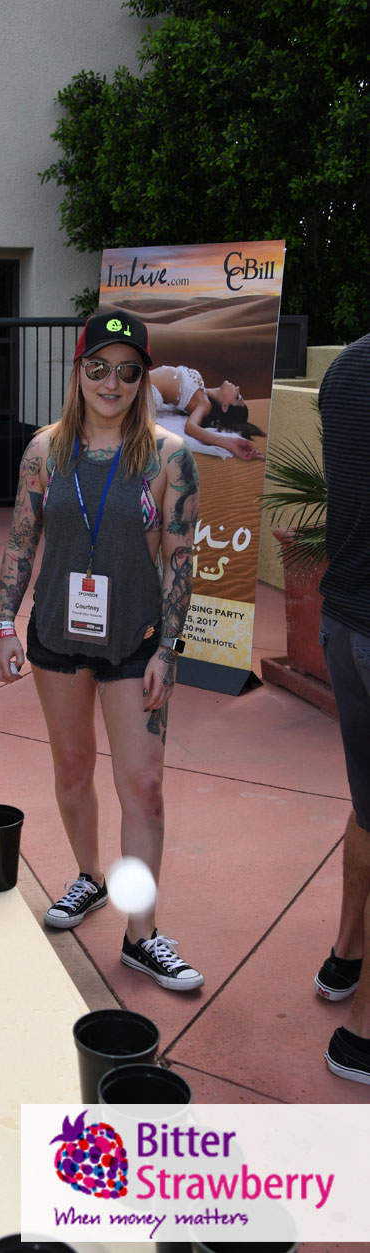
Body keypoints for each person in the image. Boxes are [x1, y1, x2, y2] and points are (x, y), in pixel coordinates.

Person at [0, 311, 204, 992]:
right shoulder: (44, 451)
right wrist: (2, 622)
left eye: (128, 371)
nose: (112, 383)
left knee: (143, 787)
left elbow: (180, 559)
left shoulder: (169, 456)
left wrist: (169, 648)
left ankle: (141, 934)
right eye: (98, 368)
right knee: (73, 768)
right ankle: (89, 877)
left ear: (143, 379)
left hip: (134, 644)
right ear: (78, 371)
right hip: (57, 639)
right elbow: (21, 540)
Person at [312, 332, 370, 1085]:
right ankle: (363, 1032)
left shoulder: (347, 366)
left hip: (344, 623)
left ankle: (346, 955)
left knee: (366, 805)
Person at [150, 364, 265, 460]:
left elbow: (190, 427)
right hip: (143, 379)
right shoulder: (202, 394)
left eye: (237, 397)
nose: (238, 388)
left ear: (225, 406)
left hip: (144, 392)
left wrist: (227, 442)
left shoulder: (205, 404)